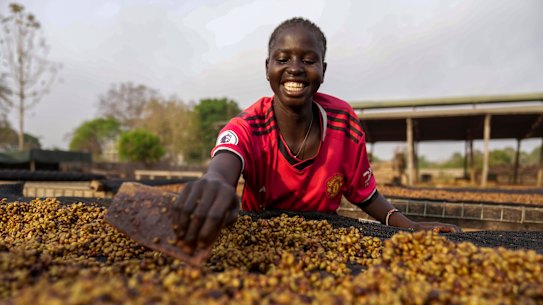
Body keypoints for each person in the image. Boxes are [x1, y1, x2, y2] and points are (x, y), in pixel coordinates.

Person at [172, 17, 460, 251]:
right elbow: (224, 165)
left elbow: (364, 193)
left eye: (308, 61)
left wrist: (407, 224)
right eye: (282, 59)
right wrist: (213, 183)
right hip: (258, 240)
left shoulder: (343, 121)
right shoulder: (249, 124)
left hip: (325, 239)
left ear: (323, 69)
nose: (295, 69)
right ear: (267, 68)